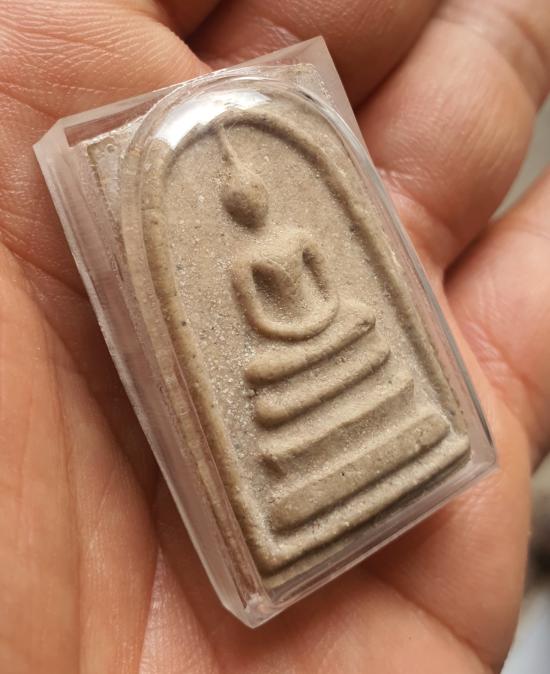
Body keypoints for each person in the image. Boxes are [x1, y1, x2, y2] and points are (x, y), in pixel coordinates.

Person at [1, 1, 549, 671]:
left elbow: (328, 293)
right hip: (287, 348)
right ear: (237, 208)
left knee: (362, 324)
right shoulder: (243, 262)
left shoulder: (293, 236)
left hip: (327, 329)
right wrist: (295, 332)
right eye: (243, 200)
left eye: (254, 195)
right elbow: (260, 320)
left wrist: (323, 321)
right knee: (269, 382)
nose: (252, 204)